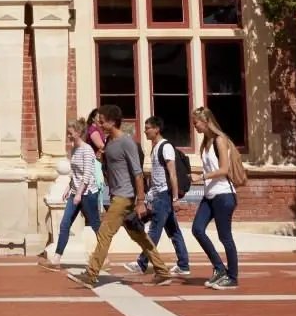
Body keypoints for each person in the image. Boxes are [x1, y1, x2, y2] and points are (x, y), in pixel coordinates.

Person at [78, 105, 173, 287]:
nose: (99, 123)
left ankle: (90, 274)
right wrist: (102, 159)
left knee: (105, 232)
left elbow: (137, 173)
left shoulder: (126, 142)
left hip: (125, 197)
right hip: (118, 195)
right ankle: (162, 272)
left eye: (102, 120)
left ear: (112, 122)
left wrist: (141, 201)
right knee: (139, 236)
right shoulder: (109, 143)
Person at [191, 106, 246, 289]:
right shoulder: (205, 143)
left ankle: (232, 277)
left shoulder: (220, 140)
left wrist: (202, 177)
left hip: (224, 195)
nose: (194, 127)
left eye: (196, 123)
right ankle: (219, 268)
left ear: (206, 122)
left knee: (225, 237)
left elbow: (224, 169)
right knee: (197, 229)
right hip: (210, 195)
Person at [136, 116, 192, 277]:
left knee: (154, 230)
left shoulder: (165, 147)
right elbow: (156, 177)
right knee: (173, 231)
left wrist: (175, 198)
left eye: (147, 128)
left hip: (165, 194)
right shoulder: (155, 148)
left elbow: (172, 174)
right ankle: (183, 264)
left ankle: (142, 263)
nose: (145, 131)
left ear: (156, 129)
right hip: (159, 194)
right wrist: (148, 196)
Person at [49, 118, 102, 263]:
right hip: (76, 192)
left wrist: (79, 193)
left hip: (88, 193)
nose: (68, 136)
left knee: (95, 225)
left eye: (70, 133)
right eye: (67, 133)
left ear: (78, 133)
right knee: (65, 224)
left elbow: (86, 173)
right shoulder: (74, 149)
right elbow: (75, 173)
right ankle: (57, 258)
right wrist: (70, 187)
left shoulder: (87, 149)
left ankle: (104, 256)